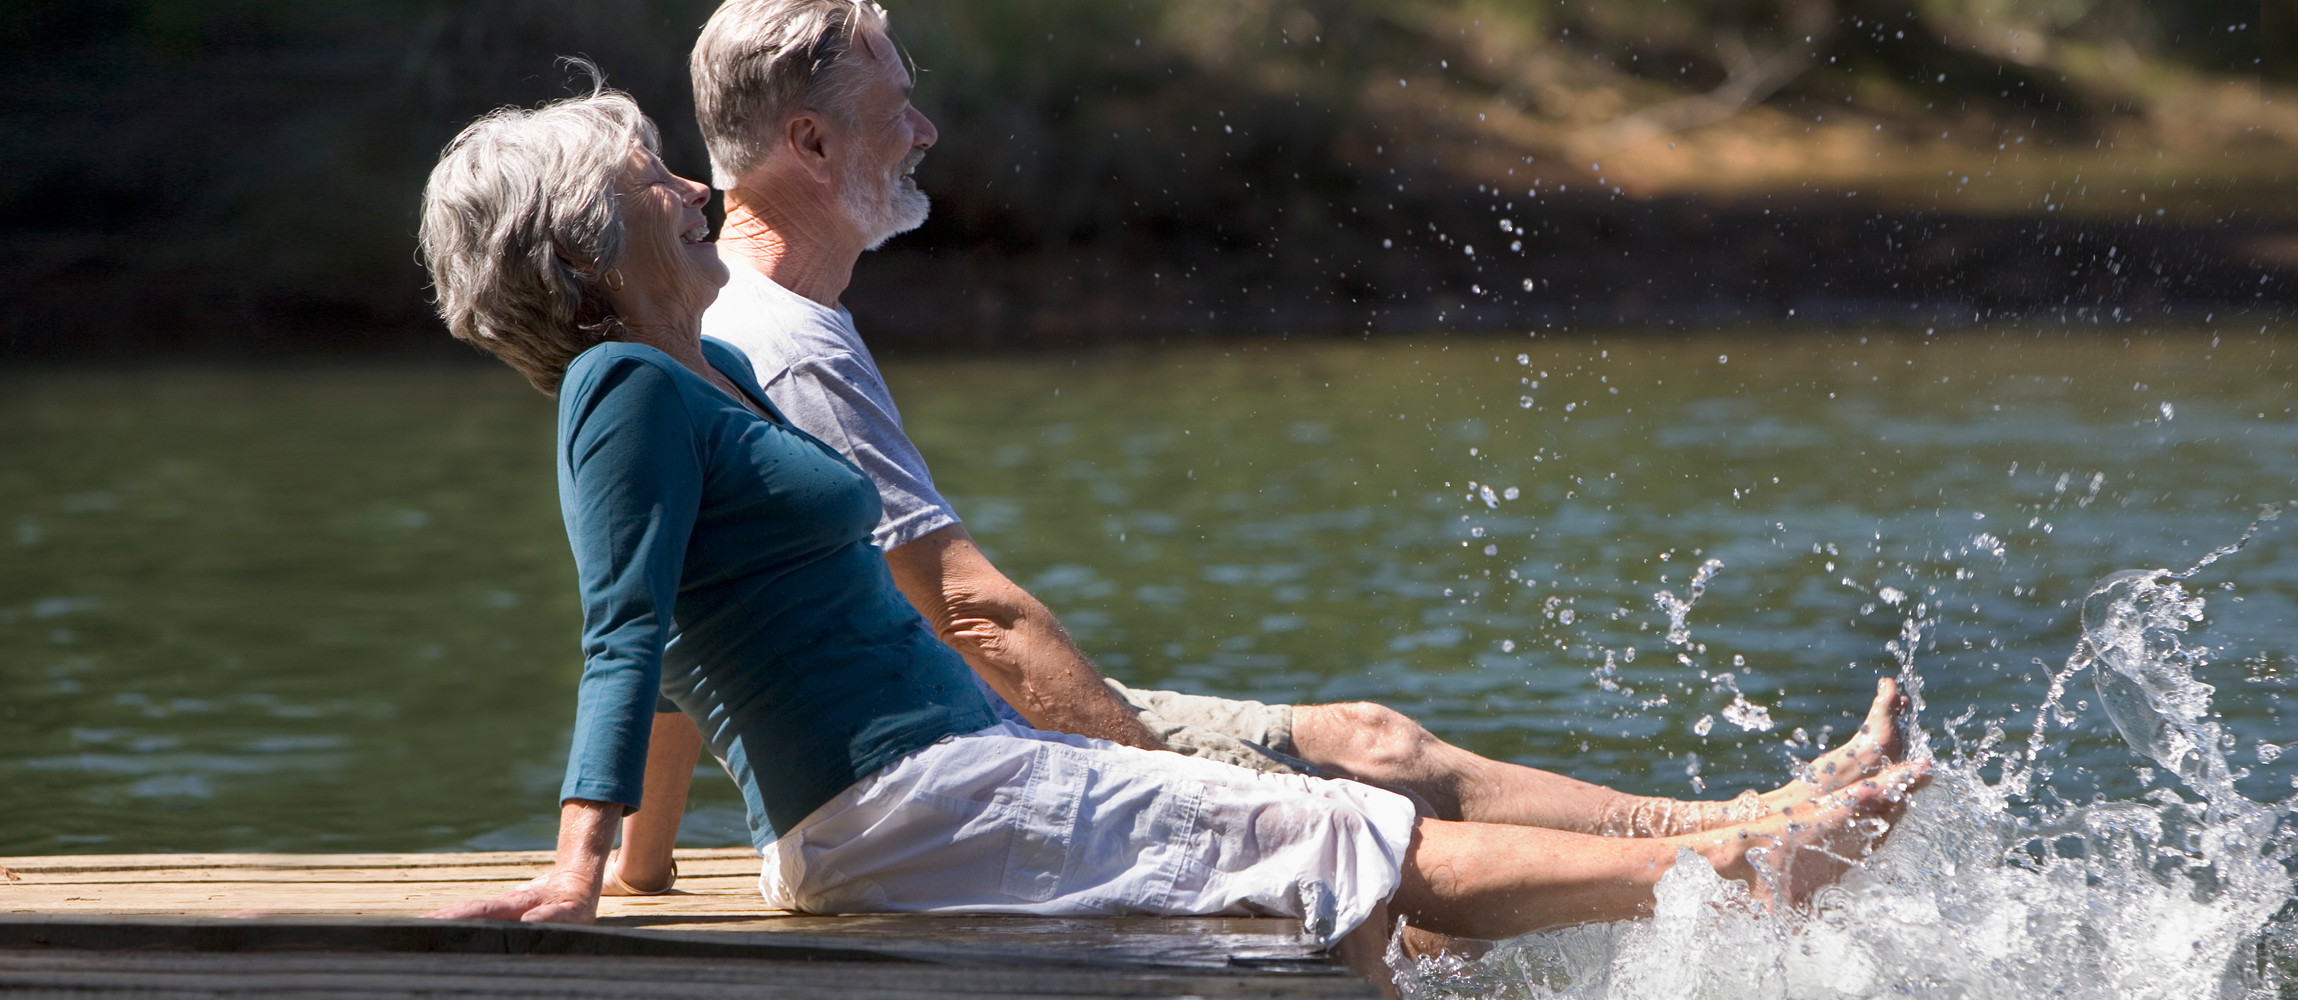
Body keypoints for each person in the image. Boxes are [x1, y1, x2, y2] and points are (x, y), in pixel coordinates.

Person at [409, 80, 1920, 993]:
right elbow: (626, 628)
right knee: (1345, 833)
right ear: (586, 251)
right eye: (646, 183)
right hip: (904, 803)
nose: (689, 188)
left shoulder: (710, 375)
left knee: (1334, 869)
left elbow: (694, 630)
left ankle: (1735, 846)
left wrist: (665, 861)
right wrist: (586, 871)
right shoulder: (617, 387)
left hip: (954, 778)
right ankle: (1747, 869)